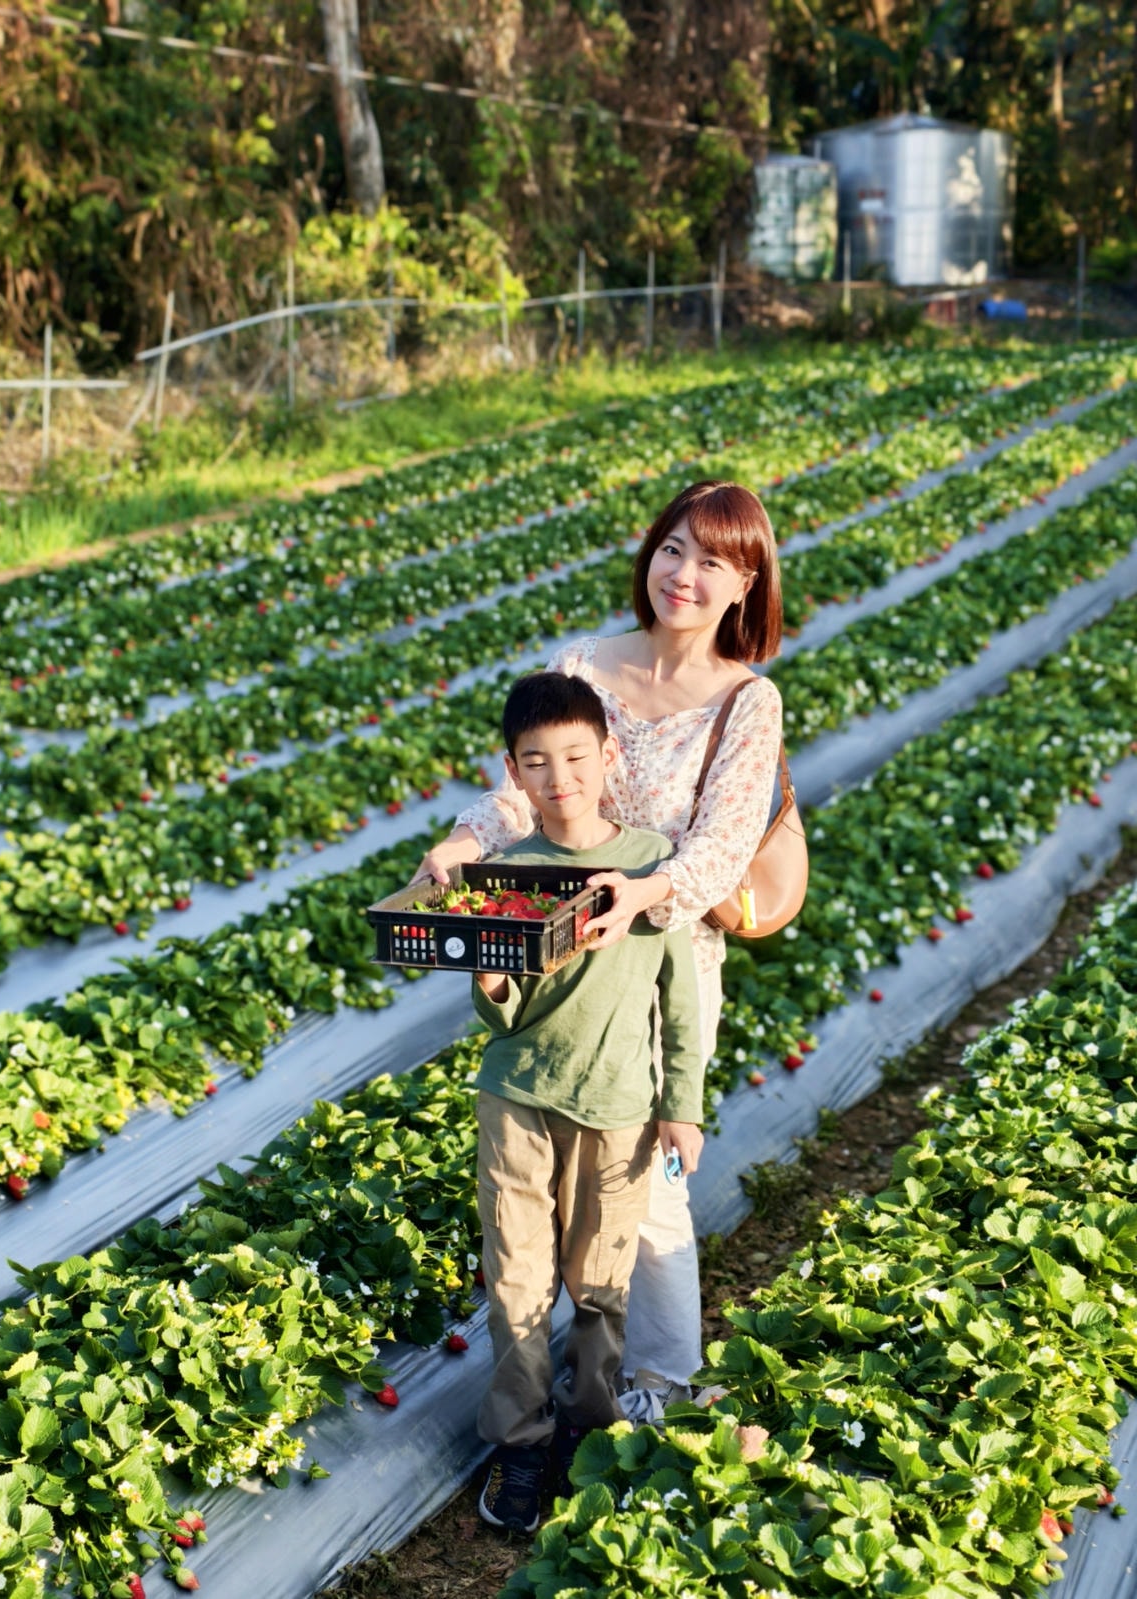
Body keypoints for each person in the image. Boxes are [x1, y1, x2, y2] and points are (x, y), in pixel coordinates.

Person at [415, 480, 784, 1415]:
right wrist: (469, 839)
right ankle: (557, 1393)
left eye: (713, 561)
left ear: (745, 585)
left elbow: (720, 847)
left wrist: (641, 892)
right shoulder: (587, 662)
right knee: (547, 1183)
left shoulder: (746, 702)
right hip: (553, 961)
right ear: (649, 553)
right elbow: (530, 780)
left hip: (656, 965)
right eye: (673, 549)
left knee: (644, 1186)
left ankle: (659, 1380)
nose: (685, 575)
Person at [470, 670, 704, 1535]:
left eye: (575, 755)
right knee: (518, 1276)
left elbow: (680, 999)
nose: (559, 776)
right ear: (515, 771)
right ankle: (522, 1440)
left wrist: (683, 1103)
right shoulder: (509, 872)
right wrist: (492, 975)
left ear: (607, 755)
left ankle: (590, 1426)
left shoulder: (647, 865)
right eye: (537, 761)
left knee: (600, 1282)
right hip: (519, 1100)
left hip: (619, 1108)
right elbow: (505, 1013)